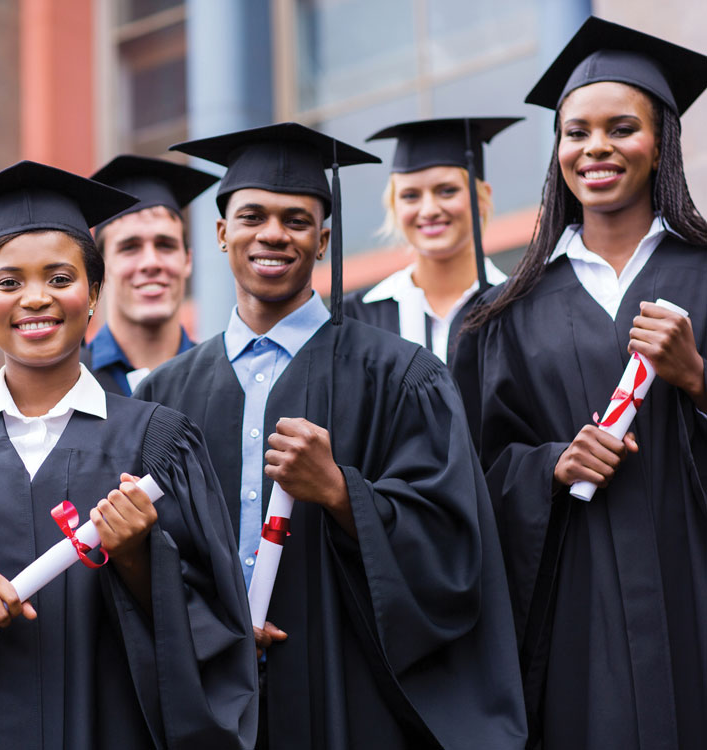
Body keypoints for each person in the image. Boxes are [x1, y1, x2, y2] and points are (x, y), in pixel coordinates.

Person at [135, 122, 526, 749]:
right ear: (220, 233)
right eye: (253, 216)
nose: (272, 234)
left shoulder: (402, 377)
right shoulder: (162, 396)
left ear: (322, 241)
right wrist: (214, 628)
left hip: (350, 686)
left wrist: (344, 494)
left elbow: (455, 547)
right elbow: (153, 554)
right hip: (213, 696)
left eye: (296, 220)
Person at [463, 17, 707, 750]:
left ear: (660, 140)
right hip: (573, 611)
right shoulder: (501, 311)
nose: (596, 148)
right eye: (576, 132)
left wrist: (697, 380)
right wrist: (549, 465)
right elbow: (475, 473)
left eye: (621, 127)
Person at [0, 160, 257, 748]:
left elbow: (218, 629)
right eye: (9, 282)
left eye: (60, 278)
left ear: (95, 292)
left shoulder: (160, 443)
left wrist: (141, 557)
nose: (36, 298)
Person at [343, 117, 518, 369]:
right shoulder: (358, 318)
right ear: (394, 205)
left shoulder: (515, 305)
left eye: (447, 191)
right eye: (410, 196)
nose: (429, 210)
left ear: (482, 197)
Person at [85, 155, 217, 395]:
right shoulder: (70, 382)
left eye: (165, 245)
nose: (151, 263)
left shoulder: (221, 377)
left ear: (187, 260)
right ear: (101, 267)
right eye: (130, 247)